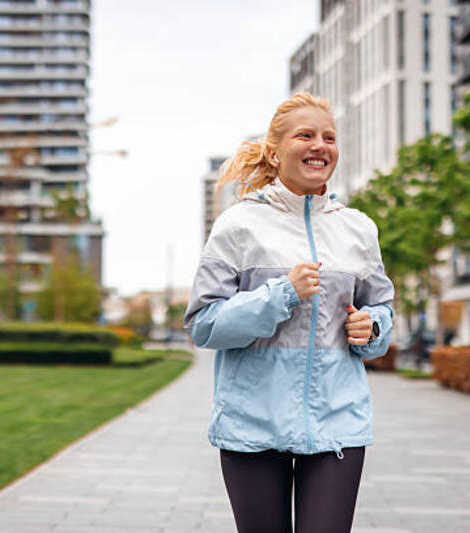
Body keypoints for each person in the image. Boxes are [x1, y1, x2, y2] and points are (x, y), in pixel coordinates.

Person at [184, 92, 394, 533]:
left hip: (337, 424)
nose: (320, 145)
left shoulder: (358, 228)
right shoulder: (238, 225)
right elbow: (204, 324)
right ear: (275, 152)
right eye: (306, 135)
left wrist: (372, 326)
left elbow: (382, 310)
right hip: (252, 426)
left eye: (329, 137)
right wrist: (281, 294)